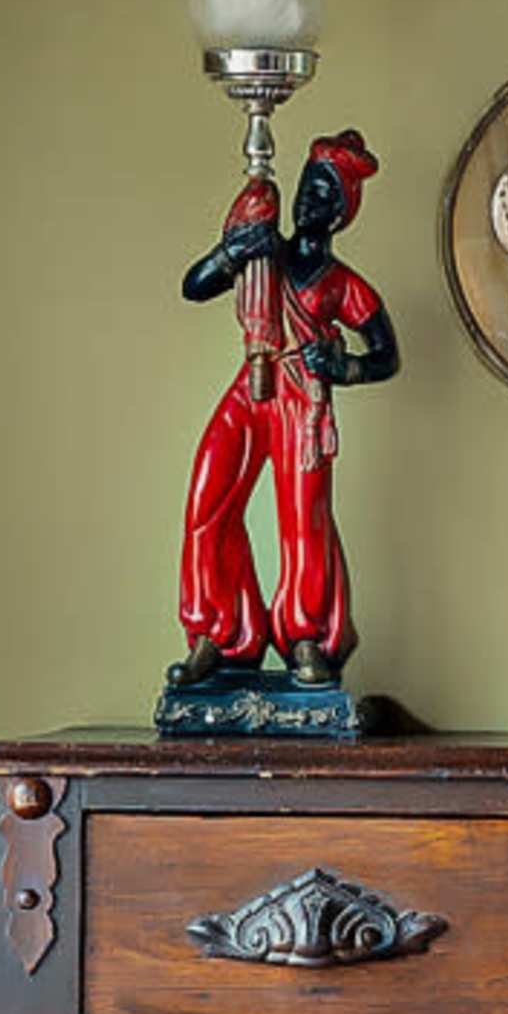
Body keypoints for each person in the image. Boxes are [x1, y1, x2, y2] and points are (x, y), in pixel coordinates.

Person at [171, 129, 396, 690]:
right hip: (254, 382)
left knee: (304, 521)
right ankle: (217, 633)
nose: (308, 202)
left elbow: (386, 355)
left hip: (301, 398)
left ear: (342, 213)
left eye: (324, 194)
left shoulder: (343, 285)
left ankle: (304, 636)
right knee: (208, 498)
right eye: (306, 188)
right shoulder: (263, 252)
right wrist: (233, 251)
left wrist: (344, 368)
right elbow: (193, 287)